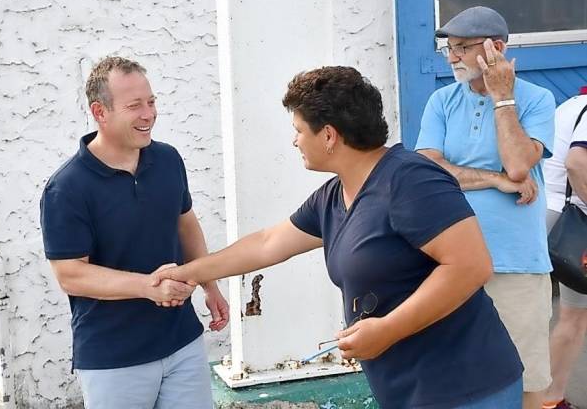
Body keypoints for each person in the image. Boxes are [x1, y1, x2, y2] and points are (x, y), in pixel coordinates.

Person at [153, 66, 524, 408]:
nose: (294, 142)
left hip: (466, 386)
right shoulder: (334, 195)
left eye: (299, 130)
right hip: (408, 388)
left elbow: (471, 265)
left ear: (329, 134)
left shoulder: (410, 181)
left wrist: (388, 330)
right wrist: (190, 272)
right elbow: (268, 243)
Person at [40, 56, 229, 409]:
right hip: (114, 358)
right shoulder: (66, 188)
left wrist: (210, 284)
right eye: (135, 106)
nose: (149, 114)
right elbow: (70, 274)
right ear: (100, 112)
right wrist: (149, 287)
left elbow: (185, 222)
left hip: (181, 342)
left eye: (151, 102)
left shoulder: (169, 159)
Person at [415, 6, 555, 409]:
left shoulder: (538, 99)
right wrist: (493, 180)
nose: (453, 56)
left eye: (462, 47)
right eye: (449, 48)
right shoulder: (441, 100)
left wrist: (502, 98)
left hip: (516, 261)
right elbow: (429, 170)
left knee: (527, 378)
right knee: (454, 373)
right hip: (449, 259)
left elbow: (517, 164)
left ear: (496, 48)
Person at [542, 93, 587, 409]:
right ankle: (549, 398)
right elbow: (577, 162)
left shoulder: (572, 103)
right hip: (571, 221)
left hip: (543, 212)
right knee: (574, 316)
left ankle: (548, 400)